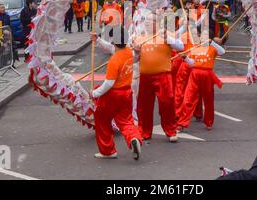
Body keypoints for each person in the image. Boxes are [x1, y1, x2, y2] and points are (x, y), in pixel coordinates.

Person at [90, 26, 142, 160]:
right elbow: (135, 58)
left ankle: (108, 150)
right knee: (126, 120)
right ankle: (134, 138)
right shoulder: (129, 52)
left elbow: (108, 83)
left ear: (114, 40)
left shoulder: (114, 60)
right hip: (127, 93)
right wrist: (98, 40)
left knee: (101, 119)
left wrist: (95, 93)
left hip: (113, 94)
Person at [133, 12, 184, 142]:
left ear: (158, 23)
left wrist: (168, 39)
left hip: (163, 76)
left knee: (167, 103)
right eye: (147, 22)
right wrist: (136, 51)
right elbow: (133, 60)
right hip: (145, 76)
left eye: (152, 21)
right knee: (144, 105)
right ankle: (144, 131)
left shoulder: (166, 35)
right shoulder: (139, 38)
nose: (148, 24)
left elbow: (181, 47)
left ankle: (171, 130)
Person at [177, 30, 224, 131]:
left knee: (208, 100)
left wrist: (212, 42)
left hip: (207, 75)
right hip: (195, 75)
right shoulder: (195, 48)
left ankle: (209, 122)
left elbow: (222, 52)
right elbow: (192, 63)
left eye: (204, 36)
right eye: (200, 36)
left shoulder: (212, 48)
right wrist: (185, 58)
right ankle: (182, 123)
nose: (201, 38)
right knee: (188, 99)